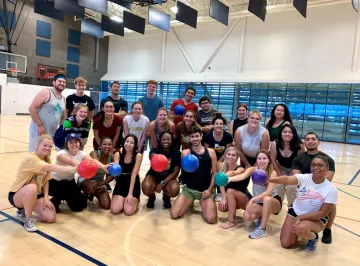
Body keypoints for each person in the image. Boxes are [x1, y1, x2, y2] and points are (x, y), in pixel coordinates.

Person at [8, 135, 77, 232]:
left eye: (50, 146)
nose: (47, 148)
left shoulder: (47, 160)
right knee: (32, 187)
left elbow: (46, 181)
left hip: (36, 194)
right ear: (38, 145)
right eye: (45, 145)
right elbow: (51, 168)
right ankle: (28, 219)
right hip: (17, 194)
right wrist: (74, 168)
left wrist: (45, 198)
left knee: (50, 217)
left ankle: (27, 206)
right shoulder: (30, 158)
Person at [270, 155, 338, 252]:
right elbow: (287, 179)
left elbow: (322, 213)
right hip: (295, 212)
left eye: (320, 165)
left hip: (315, 218)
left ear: (326, 168)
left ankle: (313, 237)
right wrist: (270, 179)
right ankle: (300, 232)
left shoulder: (331, 189)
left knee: (301, 227)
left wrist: (300, 218)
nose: (316, 167)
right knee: (285, 243)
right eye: (313, 165)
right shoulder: (304, 178)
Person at [291, 132, 336, 244]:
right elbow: (297, 178)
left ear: (318, 142)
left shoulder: (328, 160)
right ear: (304, 143)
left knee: (331, 204)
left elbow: (327, 179)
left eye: (313, 139)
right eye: (307, 139)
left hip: (320, 191)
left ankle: (327, 229)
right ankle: (302, 222)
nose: (310, 141)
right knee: (287, 242)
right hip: (304, 191)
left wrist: (312, 184)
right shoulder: (298, 159)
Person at [49, 133, 111, 213]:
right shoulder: (61, 153)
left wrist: (103, 166)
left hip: (69, 182)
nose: (73, 144)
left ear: (79, 143)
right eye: (70, 142)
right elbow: (71, 162)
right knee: (67, 188)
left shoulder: (82, 154)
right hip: (55, 182)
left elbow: (92, 161)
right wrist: (85, 165)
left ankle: (64, 197)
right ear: (67, 144)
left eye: (76, 142)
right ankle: (55, 200)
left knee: (79, 207)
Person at [226, 150, 281, 239]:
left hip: (273, 202)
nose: (261, 161)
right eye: (259, 158)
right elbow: (241, 176)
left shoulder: (272, 172)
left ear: (269, 160)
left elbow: (269, 192)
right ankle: (262, 216)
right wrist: (230, 179)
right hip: (259, 202)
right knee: (247, 216)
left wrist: (252, 199)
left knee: (267, 198)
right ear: (256, 160)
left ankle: (262, 229)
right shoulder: (253, 170)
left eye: (264, 158)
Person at [170, 126, 218, 224]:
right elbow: (183, 172)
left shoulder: (211, 152)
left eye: (197, 136)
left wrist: (209, 190)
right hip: (190, 190)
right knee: (174, 214)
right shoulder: (185, 153)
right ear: (189, 138)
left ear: (201, 136)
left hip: (206, 191)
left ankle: (204, 202)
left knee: (211, 219)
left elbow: (215, 174)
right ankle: (189, 200)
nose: (195, 139)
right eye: (192, 137)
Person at [142, 132, 181, 209]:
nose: (166, 141)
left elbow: (175, 172)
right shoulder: (155, 150)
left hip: (168, 178)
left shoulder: (176, 153)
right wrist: (155, 157)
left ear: (172, 140)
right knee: (146, 188)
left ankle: (166, 196)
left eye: (168, 139)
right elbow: (152, 156)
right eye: (163, 139)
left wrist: (162, 183)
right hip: (154, 176)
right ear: (160, 140)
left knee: (174, 190)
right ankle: (152, 197)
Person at [28, 74, 66, 152]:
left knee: (46, 156)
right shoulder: (46, 92)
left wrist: (60, 131)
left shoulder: (63, 99)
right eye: (60, 81)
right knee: (35, 155)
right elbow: (32, 108)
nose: (62, 83)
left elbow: (62, 117)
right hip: (39, 131)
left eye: (64, 82)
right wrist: (39, 125)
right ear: (54, 82)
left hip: (51, 134)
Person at [78, 137, 118, 210]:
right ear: (100, 146)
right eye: (104, 144)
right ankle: (85, 195)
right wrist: (103, 166)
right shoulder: (94, 153)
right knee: (92, 186)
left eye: (109, 144)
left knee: (106, 205)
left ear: (112, 146)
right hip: (86, 179)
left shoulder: (111, 157)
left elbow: (112, 176)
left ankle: (92, 193)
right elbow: (95, 161)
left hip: (99, 182)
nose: (107, 146)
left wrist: (101, 183)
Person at [270, 124, 305, 205]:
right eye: (284, 132)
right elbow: (273, 161)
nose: (287, 134)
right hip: (280, 168)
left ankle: (292, 207)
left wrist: (294, 175)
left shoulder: (299, 145)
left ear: (294, 134)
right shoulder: (275, 143)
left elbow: (301, 163)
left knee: (292, 188)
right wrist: (280, 175)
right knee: (278, 186)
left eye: (290, 132)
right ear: (281, 133)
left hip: (295, 169)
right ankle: (277, 205)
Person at [217, 147, 251, 229]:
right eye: (228, 154)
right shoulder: (221, 166)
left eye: (233, 155)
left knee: (230, 191)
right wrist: (224, 198)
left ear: (237, 157)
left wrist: (225, 175)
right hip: (233, 197)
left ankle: (230, 221)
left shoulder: (240, 169)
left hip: (245, 198)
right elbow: (221, 185)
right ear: (225, 155)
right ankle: (233, 215)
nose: (230, 157)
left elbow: (233, 173)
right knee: (221, 207)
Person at [111, 134, 143, 216]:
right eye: (127, 141)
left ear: (135, 145)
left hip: (133, 182)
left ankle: (136, 199)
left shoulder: (138, 156)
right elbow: (116, 171)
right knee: (115, 210)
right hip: (121, 182)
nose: (128, 144)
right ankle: (122, 200)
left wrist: (130, 193)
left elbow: (134, 175)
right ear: (124, 142)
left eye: (132, 143)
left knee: (128, 211)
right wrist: (112, 168)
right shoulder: (118, 154)